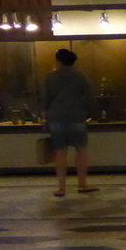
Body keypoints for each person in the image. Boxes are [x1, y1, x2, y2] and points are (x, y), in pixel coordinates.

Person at [43, 48, 97, 197]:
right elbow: (89, 97)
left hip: (56, 119)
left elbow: (46, 99)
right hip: (76, 118)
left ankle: (61, 188)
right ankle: (82, 184)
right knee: (81, 150)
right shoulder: (80, 76)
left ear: (59, 61)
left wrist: (45, 117)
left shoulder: (50, 77)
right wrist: (87, 112)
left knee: (60, 153)